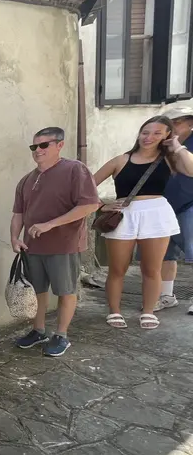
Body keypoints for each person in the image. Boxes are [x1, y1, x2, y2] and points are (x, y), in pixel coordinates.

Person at [94, 116, 193, 329]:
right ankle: (115, 311)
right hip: (124, 215)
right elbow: (86, 185)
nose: (149, 137)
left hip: (156, 213)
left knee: (152, 269)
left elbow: (192, 170)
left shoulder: (169, 159)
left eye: (157, 133)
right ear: (139, 133)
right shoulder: (121, 160)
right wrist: (102, 206)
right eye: (145, 132)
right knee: (117, 269)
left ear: (167, 135)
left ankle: (149, 311)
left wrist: (177, 147)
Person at [10, 127, 100, 355]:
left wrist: (51, 224)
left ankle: (61, 335)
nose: (37, 150)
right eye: (34, 146)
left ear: (59, 145)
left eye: (44, 145)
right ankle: (38, 330)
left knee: (65, 291)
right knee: (36, 290)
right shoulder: (26, 180)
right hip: (33, 246)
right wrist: (14, 237)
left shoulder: (74, 170)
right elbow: (18, 213)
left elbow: (89, 205)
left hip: (64, 245)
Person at [155, 107, 193, 315]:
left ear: (189, 123)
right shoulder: (161, 144)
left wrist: (178, 147)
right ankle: (166, 295)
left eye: (177, 122)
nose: (172, 128)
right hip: (163, 204)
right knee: (165, 254)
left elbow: (190, 169)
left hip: (189, 203)